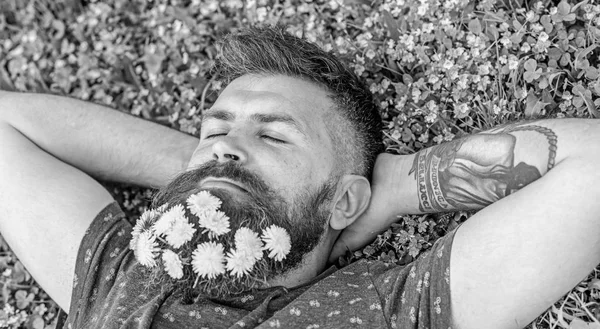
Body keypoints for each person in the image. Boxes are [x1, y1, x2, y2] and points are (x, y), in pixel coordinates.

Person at [0, 25, 599, 329]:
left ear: (345, 201)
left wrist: (393, 186)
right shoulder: (122, 279)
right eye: (215, 129)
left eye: (275, 134)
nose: (227, 145)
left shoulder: (383, 311)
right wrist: (210, 174)